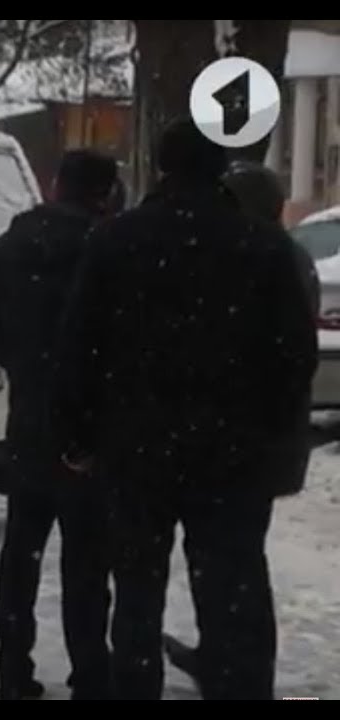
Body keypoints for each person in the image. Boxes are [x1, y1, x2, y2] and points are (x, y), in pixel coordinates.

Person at [51, 118, 318, 700]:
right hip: (233, 453)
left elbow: (80, 347)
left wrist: (80, 436)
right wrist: (267, 427)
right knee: (233, 588)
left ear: (163, 165)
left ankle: (135, 685)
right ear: (222, 170)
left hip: (136, 448)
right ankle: (240, 686)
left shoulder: (117, 241)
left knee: (137, 591)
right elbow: (294, 355)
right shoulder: (263, 246)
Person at [162, 160, 321, 691]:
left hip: (249, 442)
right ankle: (227, 657)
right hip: (264, 439)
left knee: (231, 559)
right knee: (233, 556)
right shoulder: (283, 257)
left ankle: (238, 668)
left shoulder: (269, 260)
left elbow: (278, 357)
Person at [0, 149, 123, 701]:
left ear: (55, 183)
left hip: (27, 422)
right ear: (105, 193)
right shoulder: (105, 248)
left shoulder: (10, 245)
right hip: (86, 429)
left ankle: (13, 670)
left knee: (21, 553)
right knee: (87, 562)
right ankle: (90, 671)